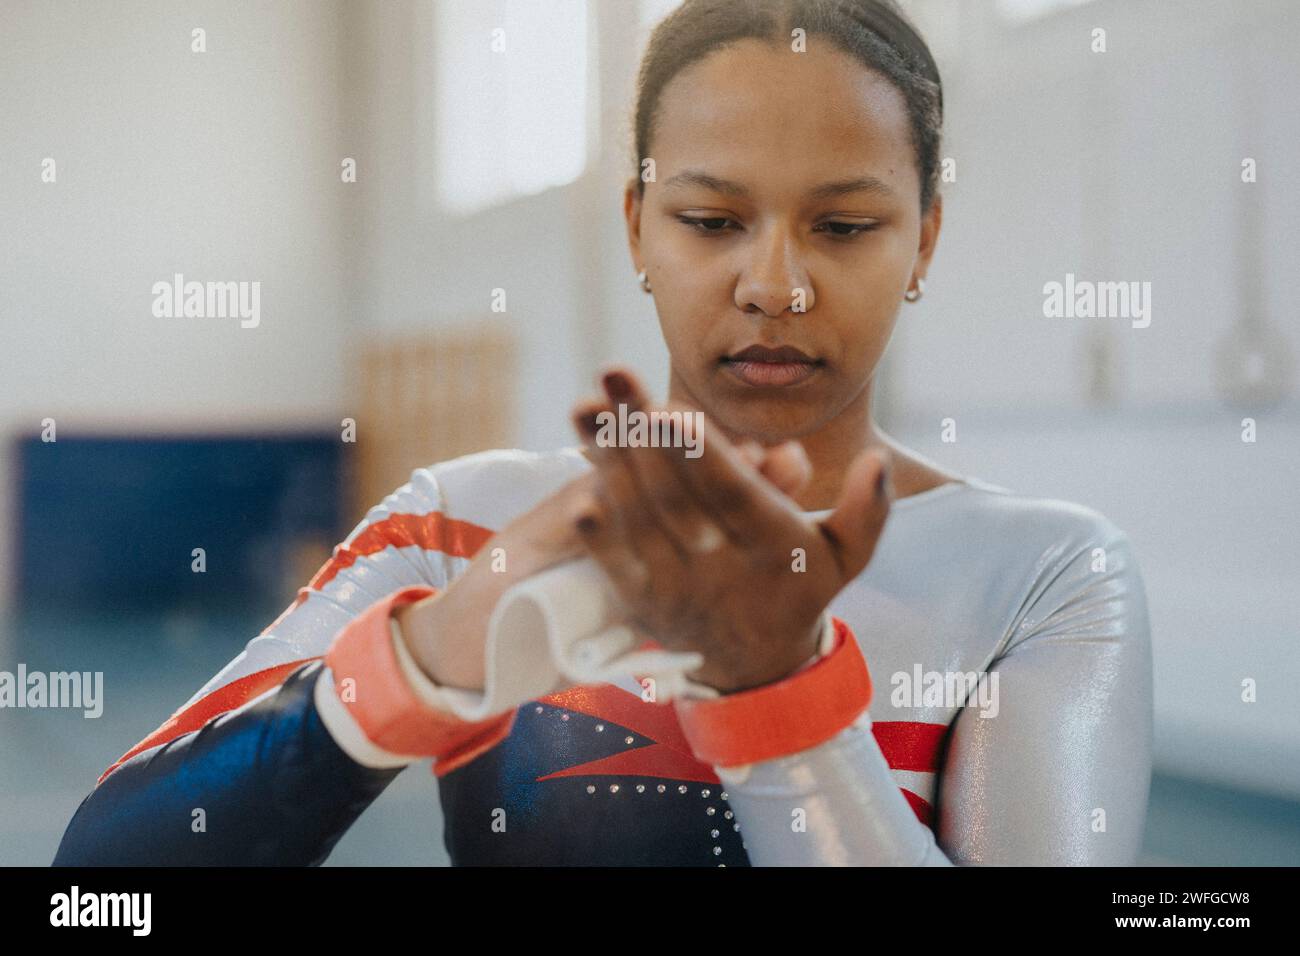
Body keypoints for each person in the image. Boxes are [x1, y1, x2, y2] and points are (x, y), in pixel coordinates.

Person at [53, 0, 1152, 867]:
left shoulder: (1046, 573)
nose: (774, 284)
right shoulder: (462, 523)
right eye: (711, 220)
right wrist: (425, 661)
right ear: (636, 223)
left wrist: (779, 691)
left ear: (924, 240)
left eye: (846, 226)